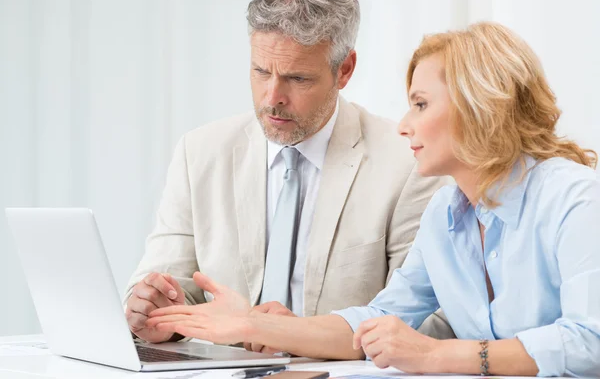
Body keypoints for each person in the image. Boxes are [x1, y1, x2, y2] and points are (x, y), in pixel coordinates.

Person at [145, 22, 600, 377]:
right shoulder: (445, 214)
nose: (404, 125)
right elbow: (378, 319)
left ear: (480, 106)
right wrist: (253, 325)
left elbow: (590, 342)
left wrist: (440, 355)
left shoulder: (575, 200)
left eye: (421, 105)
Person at [123, 0, 450, 345]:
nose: (273, 98)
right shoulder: (200, 152)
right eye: (261, 71)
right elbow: (167, 282)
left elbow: (432, 320)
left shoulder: (407, 163)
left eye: (297, 78)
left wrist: (298, 335)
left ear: (344, 70)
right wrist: (150, 306)